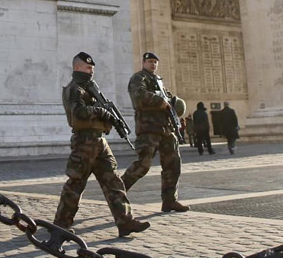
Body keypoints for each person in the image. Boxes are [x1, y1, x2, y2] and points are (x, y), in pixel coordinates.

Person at [53, 52, 150, 237]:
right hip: (84, 142)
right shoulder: (75, 89)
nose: (91, 71)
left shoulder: (91, 88)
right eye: (88, 68)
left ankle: (125, 221)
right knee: (76, 183)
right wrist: (102, 112)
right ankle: (60, 225)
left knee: (113, 181)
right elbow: (78, 112)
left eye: (92, 69)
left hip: (99, 141)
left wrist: (109, 114)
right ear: (77, 68)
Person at [121, 52, 189, 213]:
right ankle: (116, 193)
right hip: (148, 129)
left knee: (173, 165)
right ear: (143, 62)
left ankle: (170, 201)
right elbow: (139, 96)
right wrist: (161, 102)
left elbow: (171, 102)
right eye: (150, 61)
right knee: (142, 165)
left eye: (155, 62)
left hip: (166, 129)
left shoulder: (158, 81)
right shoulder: (138, 78)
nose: (153, 64)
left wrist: (177, 111)